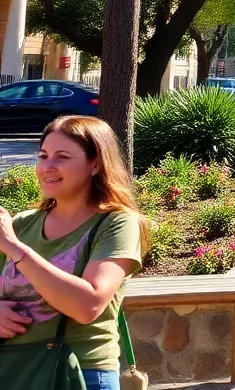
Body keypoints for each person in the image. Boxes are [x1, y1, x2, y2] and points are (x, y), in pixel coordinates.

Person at [0, 116, 149, 390]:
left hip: (79, 374)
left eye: (62, 157)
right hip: (14, 372)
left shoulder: (117, 223)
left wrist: (14, 248)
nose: (47, 167)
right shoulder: (22, 224)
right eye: (43, 156)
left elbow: (87, 305)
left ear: (96, 163)